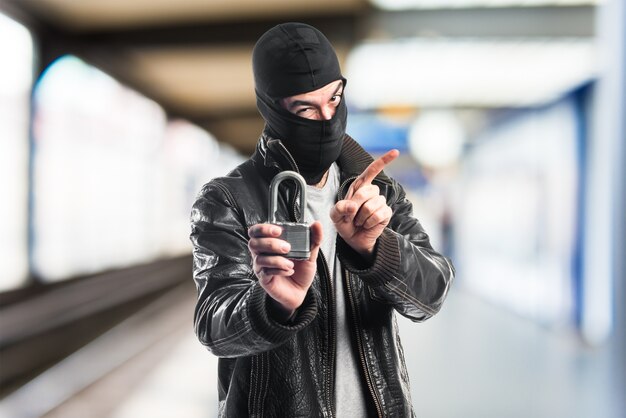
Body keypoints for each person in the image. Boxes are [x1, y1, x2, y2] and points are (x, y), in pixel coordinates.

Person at [190, 22, 454, 417]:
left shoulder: (377, 191)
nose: (327, 117)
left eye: (335, 99)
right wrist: (272, 304)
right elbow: (214, 326)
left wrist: (375, 250)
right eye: (305, 109)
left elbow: (431, 293)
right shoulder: (227, 199)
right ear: (271, 108)